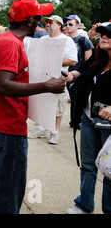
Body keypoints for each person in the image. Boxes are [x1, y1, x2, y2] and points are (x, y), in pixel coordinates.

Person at [0, 0, 66, 214]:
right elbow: (4, 85)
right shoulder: (11, 43)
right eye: (39, 18)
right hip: (7, 124)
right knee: (8, 191)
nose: (41, 22)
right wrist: (46, 85)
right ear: (29, 22)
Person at [65, 22, 111, 214]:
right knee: (87, 165)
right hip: (88, 118)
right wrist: (71, 75)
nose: (103, 37)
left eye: (108, 35)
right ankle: (84, 204)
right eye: (101, 35)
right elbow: (82, 70)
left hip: (108, 125)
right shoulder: (98, 57)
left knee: (109, 170)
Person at [28, 15, 77, 145]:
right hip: (41, 77)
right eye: (47, 23)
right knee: (40, 103)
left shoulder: (67, 40)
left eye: (50, 22)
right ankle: (40, 128)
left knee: (57, 106)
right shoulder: (43, 39)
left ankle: (54, 132)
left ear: (59, 25)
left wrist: (53, 60)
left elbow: (72, 59)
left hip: (58, 78)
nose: (48, 25)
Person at [64, 14, 94, 128]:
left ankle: (76, 121)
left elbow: (89, 61)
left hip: (78, 75)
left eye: (71, 24)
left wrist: (83, 76)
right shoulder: (64, 40)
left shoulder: (83, 40)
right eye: (66, 24)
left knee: (76, 98)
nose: (68, 26)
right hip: (65, 74)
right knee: (70, 98)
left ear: (77, 26)